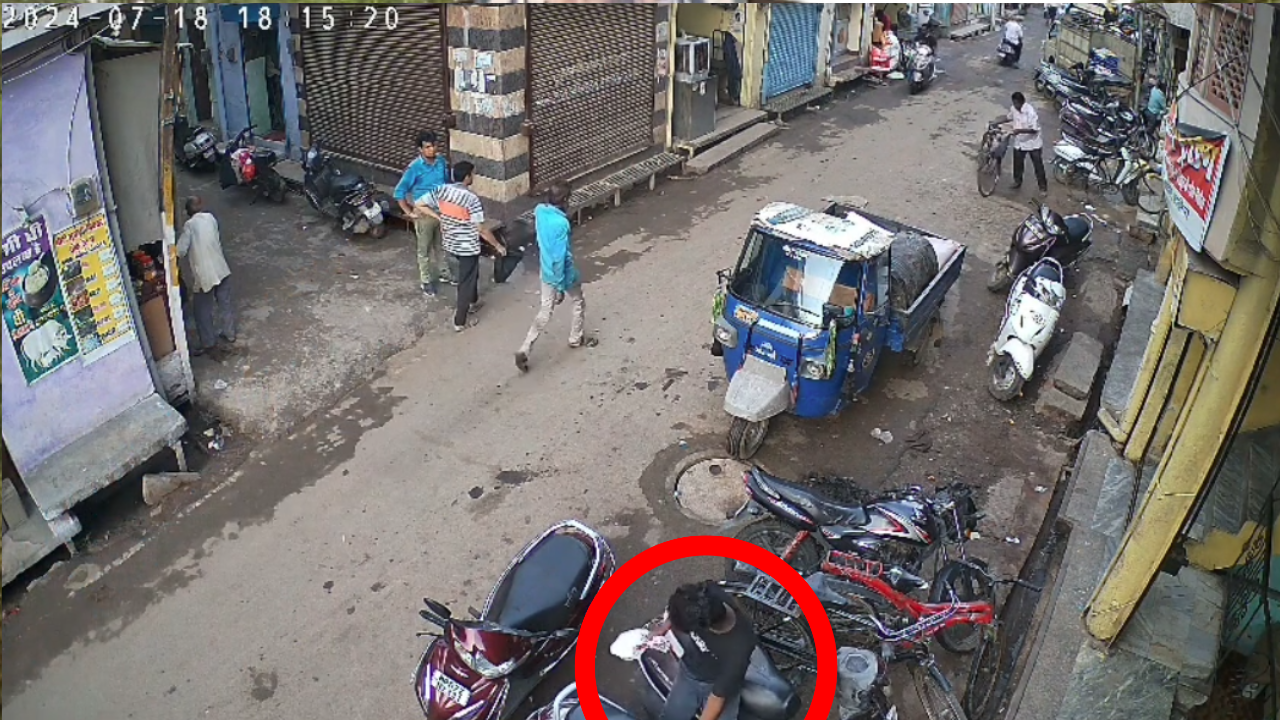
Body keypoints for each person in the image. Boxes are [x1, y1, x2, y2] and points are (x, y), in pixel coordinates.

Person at [415, 161, 505, 332]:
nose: (473, 177)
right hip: (467, 248)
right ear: (466, 177)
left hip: (450, 244)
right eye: (472, 174)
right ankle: (460, 321)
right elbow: (481, 229)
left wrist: (439, 217)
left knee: (468, 276)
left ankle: (473, 302)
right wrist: (498, 245)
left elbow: (419, 204)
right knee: (465, 282)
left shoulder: (442, 190)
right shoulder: (471, 199)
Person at [515, 181, 592, 373]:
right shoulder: (561, 223)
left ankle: (525, 347)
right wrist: (559, 287)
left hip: (545, 270)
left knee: (544, 311)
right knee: (578, 302)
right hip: (563, 274)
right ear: (565, 200)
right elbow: (560, 258)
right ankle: (576, 337)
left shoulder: (540, 210)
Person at [655, 582, 756, 720]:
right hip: (689, 673)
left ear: (705, 627)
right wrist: (664, 627)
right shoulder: (706, 593)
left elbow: (717, 699)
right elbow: (681, 607)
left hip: (719, 685)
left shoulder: (738, 653)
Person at [395, 131, 455, 298]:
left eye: (434, 145)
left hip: (441, 211)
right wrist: (409, 212)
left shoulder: (441, 162)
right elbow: (399, 192)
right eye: (428, 147)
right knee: (424, 249)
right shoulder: (414, 168)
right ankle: (426, 280)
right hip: (423, 213)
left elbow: (446, 183)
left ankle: (444, 273)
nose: (432, 149)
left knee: (441, 246)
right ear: (420, 150)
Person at [177, 196, 234, 356]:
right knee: (225, 303)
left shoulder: (189, 225)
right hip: (221, 267)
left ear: (188, 211)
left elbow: (180, 250)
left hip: (205, 274)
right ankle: (230, 334)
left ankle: (209, 342)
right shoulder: (211, 218)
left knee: (202, 310)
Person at [996, 92, 1047, 195]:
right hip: (1020, 142)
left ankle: (1043, 188)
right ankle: (1017, 181)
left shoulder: (1030, 112)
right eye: (1014, 103)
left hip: (1033, 143)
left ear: (1021, 102)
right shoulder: (1014, 109)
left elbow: (1034, 130)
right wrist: (997, 122)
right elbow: (1008, 117)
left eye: (1016, 103)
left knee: (1038, 166)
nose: (1015, 105)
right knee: (1017, 164)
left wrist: (1019, 131)